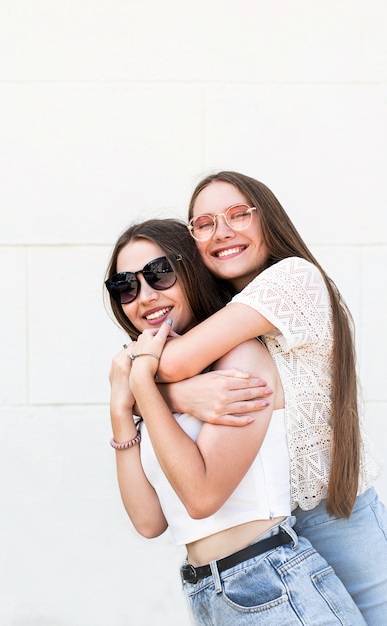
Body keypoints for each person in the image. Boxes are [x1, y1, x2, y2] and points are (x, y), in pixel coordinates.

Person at [151, 171, 387, 625]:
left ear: (268, 220)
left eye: (239, 214)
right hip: (270, 529)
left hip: (334, 514)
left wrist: (171, 391)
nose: (223, 232)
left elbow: (165, 364)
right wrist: (173, 394)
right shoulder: (217, 314)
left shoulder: (293, 279)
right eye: (204, 224)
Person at [105, 218, 365, 625]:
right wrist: (121, 411)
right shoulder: (159, 385)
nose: (145, 296)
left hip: (272, 584)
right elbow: (149, 521)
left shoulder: (240, 358)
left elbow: (202, 497)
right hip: (210, 593)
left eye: (159, 275)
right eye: (125, 286)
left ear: (191, 271)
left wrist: (139, 381)